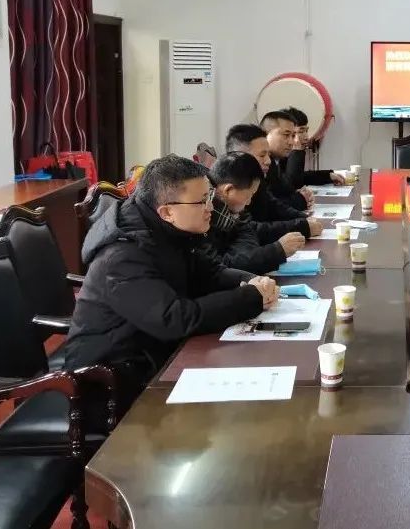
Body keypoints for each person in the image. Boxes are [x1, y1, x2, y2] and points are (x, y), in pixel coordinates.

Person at [62, 155, 279, 399]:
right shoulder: (122, 255)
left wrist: (253, 281)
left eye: (210, 196)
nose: (211, 207)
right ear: (167, 211)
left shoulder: (168, 228)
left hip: (156, 356)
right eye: (202, 201)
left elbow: (210, 273)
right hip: (110, 382)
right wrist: (249, 298)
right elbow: (174, 319)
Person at [202, 152, 307, 274]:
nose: (249, 202)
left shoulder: (231, 211)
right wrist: (276, 251)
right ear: (228, 190)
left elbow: (247, 234)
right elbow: (218, 267)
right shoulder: (202, 214)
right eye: (249, 195)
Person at [225, 123, 321, 244]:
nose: (268, 161)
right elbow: (250, 230)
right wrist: (302, 227)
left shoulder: (256, 178)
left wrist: (305, 218)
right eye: (262, 155)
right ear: (239, 155)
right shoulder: (231, 186)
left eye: (268, 155)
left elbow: (273, 205)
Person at [283, 106, 344, 189]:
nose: (307, 137)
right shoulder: (275, 157)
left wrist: (328, 176)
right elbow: (293, 184)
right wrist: (297, 151)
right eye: (301, 131)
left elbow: (300, 176)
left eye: (306, 131)